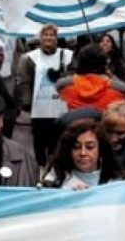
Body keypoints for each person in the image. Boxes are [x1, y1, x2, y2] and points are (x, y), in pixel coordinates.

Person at [16, 24, 74, 166]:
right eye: (45, 35)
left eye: (51, 35)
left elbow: (74, 77)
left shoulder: (67, 55)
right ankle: (40, 167)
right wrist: (27, 103)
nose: (48, 38)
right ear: (40, 38)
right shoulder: (29, 58)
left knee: (57, 140)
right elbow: (24, 81)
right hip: (39, 107)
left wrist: (62, 77)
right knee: (40, 141)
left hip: (60, 107)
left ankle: (55, 166)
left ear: (56, 38)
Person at [41, 119, 122, 189]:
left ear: (101, 149)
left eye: (90, 147)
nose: (83, 153)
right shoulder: (56, 175)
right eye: (76, 147)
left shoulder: (113, 180)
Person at [56, 44, 125, 112]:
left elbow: (59, 84)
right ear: (104, 65)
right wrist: (111, 75)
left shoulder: (65, 88)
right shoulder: (118, 92)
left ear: (80, 63)